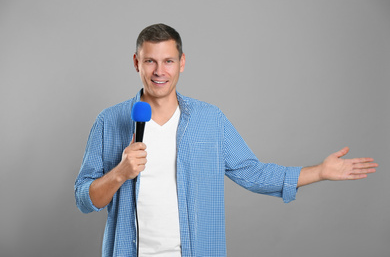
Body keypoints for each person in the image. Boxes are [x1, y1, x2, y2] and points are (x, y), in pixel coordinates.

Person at [75, 23, 377, 257]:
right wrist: (120, 173)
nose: (159, 71)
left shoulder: (210, 120)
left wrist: (320, 172)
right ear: (136, 63)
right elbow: (85, 200)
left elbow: (252, 172)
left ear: (182, 63)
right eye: (150, 61)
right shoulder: (109, 121)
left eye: (168, 61)